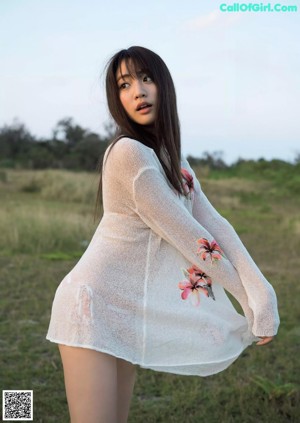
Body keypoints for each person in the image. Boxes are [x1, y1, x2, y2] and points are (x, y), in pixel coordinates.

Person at [46, 46, 280, 423]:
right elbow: (192, 238)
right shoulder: (128, 154)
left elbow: (215, 224)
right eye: (124, 84)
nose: (138, 91)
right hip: (90, 305)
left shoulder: (172, 157)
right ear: (116, 99)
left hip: (122, 310)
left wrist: (260, 292)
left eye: (146, 78)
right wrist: (246, 298)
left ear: (163, 86)